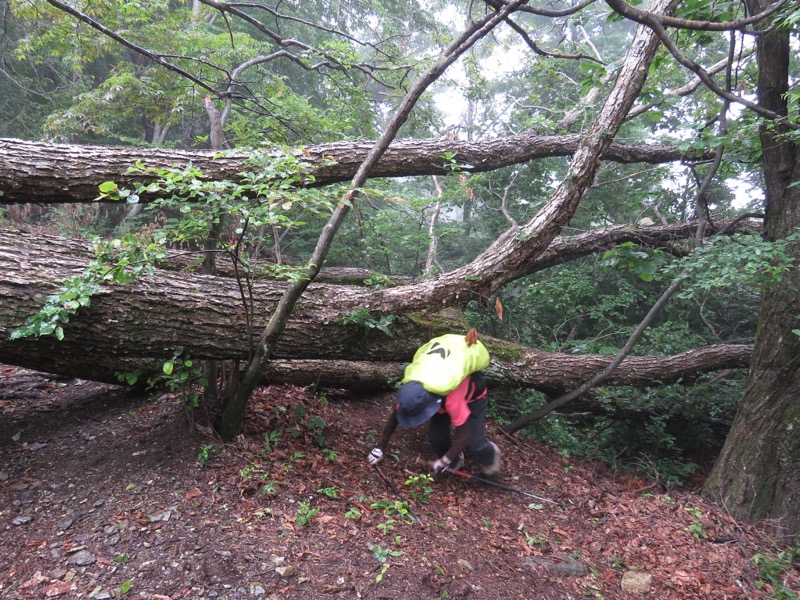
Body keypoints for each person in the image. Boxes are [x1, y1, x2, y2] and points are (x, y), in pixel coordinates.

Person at [367, 372, 501, 477]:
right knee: (436, 438)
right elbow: (396, 415)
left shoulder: (453, 400)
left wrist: (444, 461)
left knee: (474, 443)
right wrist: (380, 447)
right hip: (440, 398)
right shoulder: (413, 391)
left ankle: (490, 453)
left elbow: (464, 435)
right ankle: (455, 459)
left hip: (472, 397)